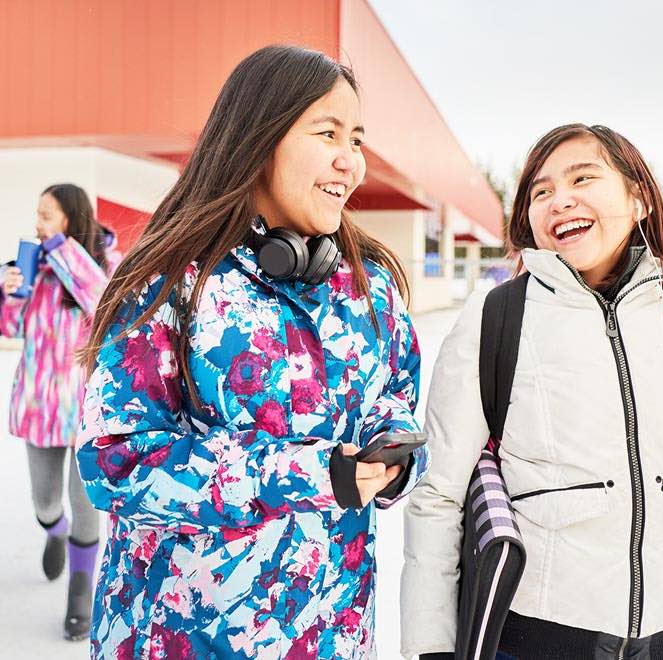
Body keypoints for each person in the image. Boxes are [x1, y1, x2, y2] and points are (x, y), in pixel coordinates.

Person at [77, 45, 429, 659]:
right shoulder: (168, 283)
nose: (350, 161)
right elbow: (116, 464)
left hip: (332, 635)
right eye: (328, 133)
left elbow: (394, 396)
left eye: (357, 140)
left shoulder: (367, 286)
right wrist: (308, 473)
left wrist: (392, 451)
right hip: (185, 637)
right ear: (260, 139)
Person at [401, 124, 663, 659]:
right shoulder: (495, 318)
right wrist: (433, 647)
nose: (560, 200)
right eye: (541, 191)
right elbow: (439, 493)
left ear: (639, 199)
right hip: (539, 638)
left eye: (583, 178)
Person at [0, 183, 120, 640]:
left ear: (71, 218)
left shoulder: (103, 264)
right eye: (38, 214)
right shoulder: (31, 265)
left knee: (86, 506)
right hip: (41, 406)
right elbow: (11, 328)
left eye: (46, 215)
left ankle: (80, 594)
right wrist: (11, 293)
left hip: (88, 410)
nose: (38, 223)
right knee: (46, 501)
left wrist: (61, 252)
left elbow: (103, 304)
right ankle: (54, 531)